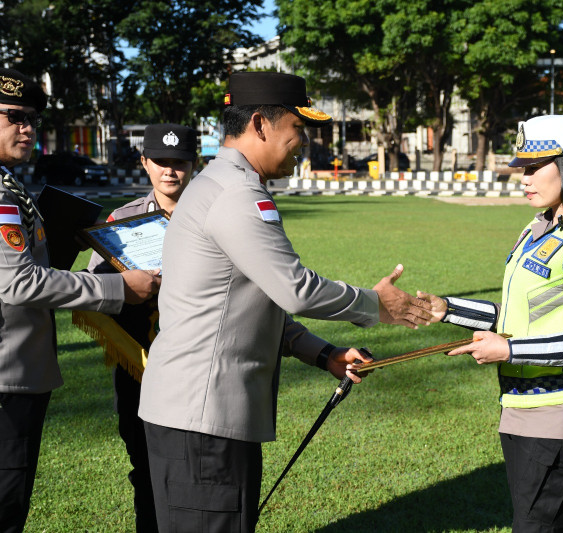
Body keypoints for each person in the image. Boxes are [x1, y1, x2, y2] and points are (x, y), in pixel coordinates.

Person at [137, 71, 432, 533]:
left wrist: (323, 353)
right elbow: (295, 288)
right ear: (260, 124)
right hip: (203, 419)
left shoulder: (218, 183)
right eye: (298, 129)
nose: (303, 143)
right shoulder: (237, 193)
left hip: (197, 413)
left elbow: (246, 303)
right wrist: (377, 305)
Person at [419, 114, 563, 532]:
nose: (524, 178)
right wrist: (444, 309)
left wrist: (510, 351)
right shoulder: (540, 227)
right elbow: (516, 317)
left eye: (535, 168)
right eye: (523, 169)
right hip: (525, 406)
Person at [0, 68, 160, 533]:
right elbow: (20, 284)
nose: (28, 128)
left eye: (33, 119)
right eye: (15, 117)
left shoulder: (10, 184)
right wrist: (118, 289)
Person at [84, 123, 197, 532]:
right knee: (144, 466)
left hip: (196, 366)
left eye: (179, 162)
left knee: (194, 471)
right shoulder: (121, 220)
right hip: (139, 365)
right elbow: (93, 286)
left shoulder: (213, 218)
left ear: (193, 165)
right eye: (161, 162)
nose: (170, 171)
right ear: (145, 163)